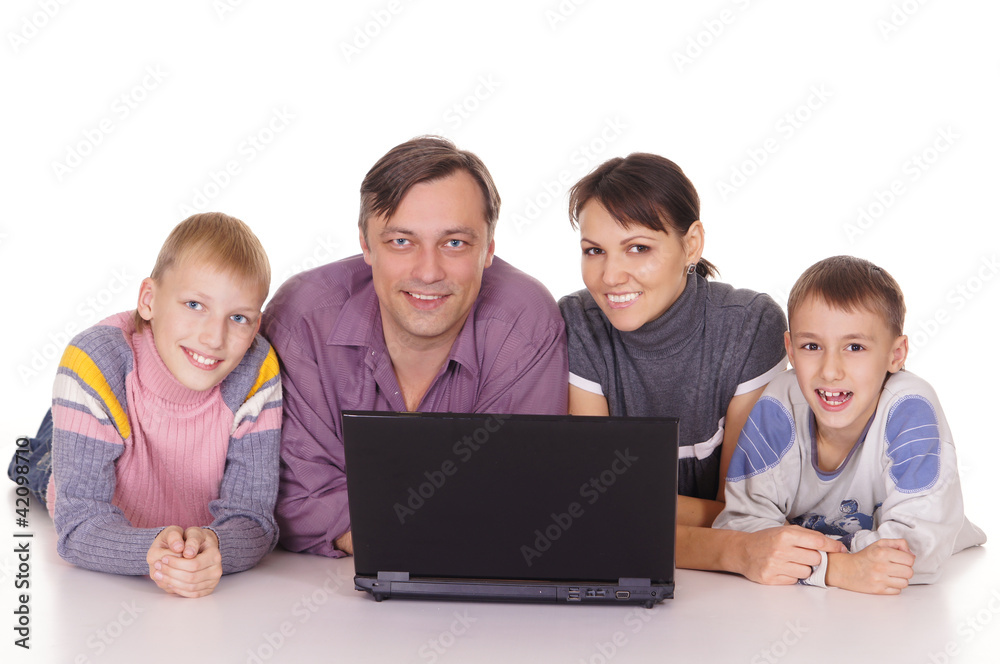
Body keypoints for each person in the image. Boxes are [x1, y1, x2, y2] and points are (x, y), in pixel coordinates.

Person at [261, 136, 568, 558]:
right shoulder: (302, 319)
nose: (428, 272)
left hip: (489, 617)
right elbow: (293, 498)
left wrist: (382, 532)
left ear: (489, 249)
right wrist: (440, 537)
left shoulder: (523, 323)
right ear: (366, 246)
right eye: (401, 242)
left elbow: (521, 502)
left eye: (455, 242)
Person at [559, 153, 846, 580]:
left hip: (739, 592)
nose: (611, 275)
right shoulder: (577, 322)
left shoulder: (750, 325)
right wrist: (729, 546)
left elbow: (741, 510)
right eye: (594, 250)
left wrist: (626, 509)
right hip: (637, 577)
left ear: (691, 243)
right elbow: (597, 512)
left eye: (638, 248)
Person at [7, 212, 282, 598]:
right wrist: (152, 555)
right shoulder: (94, 363)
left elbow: (253, 517)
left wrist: (214, 547)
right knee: (40, 466)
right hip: (106, 417)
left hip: (147, 458)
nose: (213, 337)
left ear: (255, 328)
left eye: (238, 317)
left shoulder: (257, 369)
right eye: (194, 304)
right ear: (148, 301)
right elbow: (77, 523)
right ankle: (44, 441)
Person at [714, 256, 986, 594]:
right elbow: (740, 527)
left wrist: (798, 553)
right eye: (811, 346)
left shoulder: (909, 407)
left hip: (928, 592)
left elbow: (915, 552)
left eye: (855, 347)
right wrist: (840, 568)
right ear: (791, 350)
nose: (830, 370)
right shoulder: (780, 403)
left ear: (896, 354)